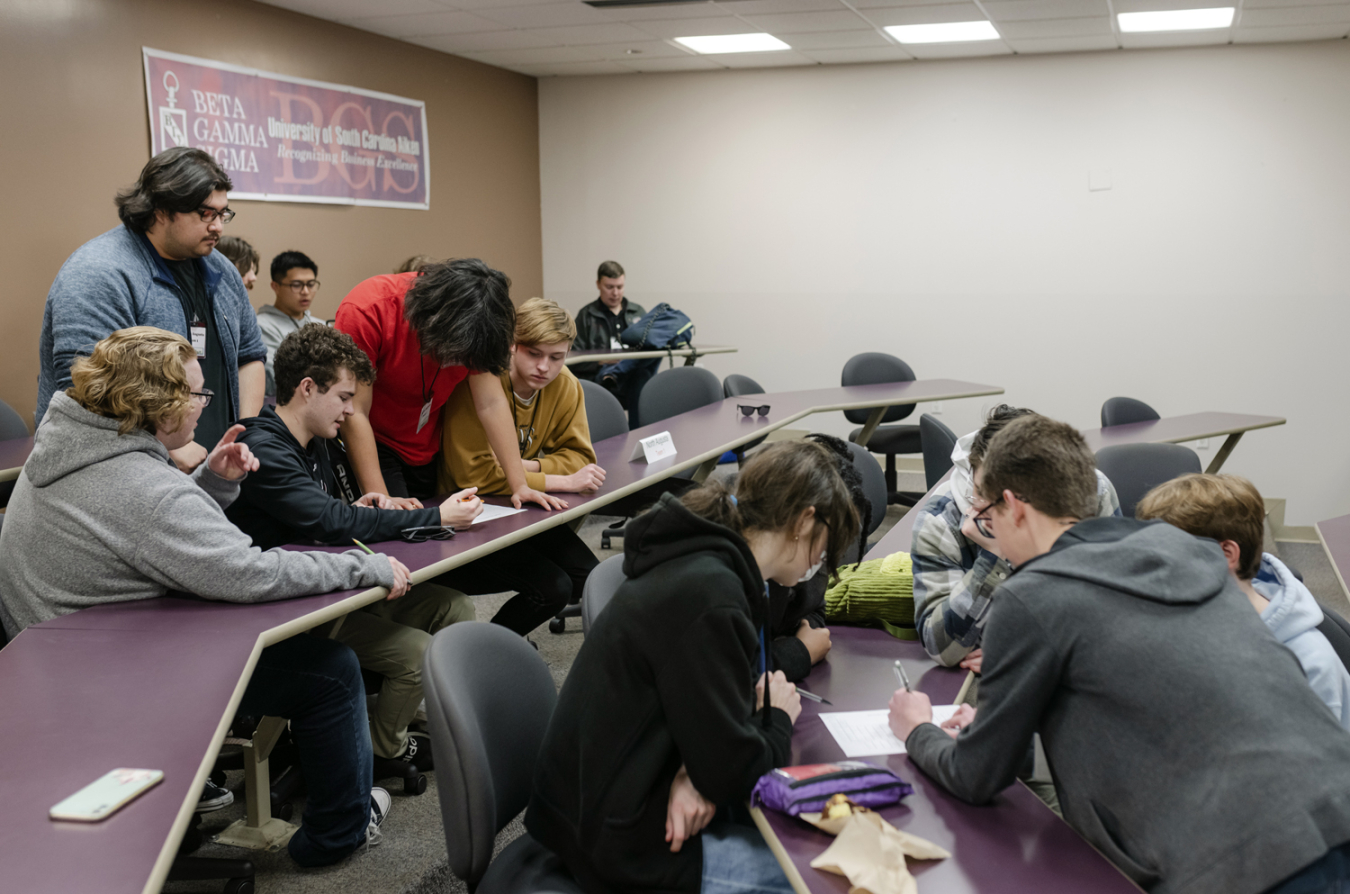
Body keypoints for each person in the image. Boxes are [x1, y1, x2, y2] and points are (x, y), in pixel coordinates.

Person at [887, 415, 1350, 894]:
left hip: (1246, 859)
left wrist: (916, 729)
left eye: (985, 516)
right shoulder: (1178, 549)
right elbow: (1143, 701)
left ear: (1013, 507)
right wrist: (998, 729)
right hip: (1335, 800)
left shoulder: (1031, 596)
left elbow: (975, 776)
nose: (986, 531)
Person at [0, 327, 409, 867]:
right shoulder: (141, 486)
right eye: (196, 394)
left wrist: (210, 486)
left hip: (55, 664)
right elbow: (247, 573)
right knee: (331, 671)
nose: (203, 406)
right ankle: (338, 836)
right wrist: (366, 565)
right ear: (159, 404)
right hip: (114, 679)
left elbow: (139, 535)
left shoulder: (70, 446)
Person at [527, 440, 861, 894]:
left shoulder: (711, 561)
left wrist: (697, 770)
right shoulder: (712, 595)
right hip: (622, 842)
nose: (820, 564)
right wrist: (777, 717)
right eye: (825, 549)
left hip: (606, 799)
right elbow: (736, 772)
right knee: (829, 876)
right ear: (804, 522)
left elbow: (707, 708)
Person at [226, 325, 480, 774]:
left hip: (328, 587)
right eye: (344, 397)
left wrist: (358, 505)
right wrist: (436, 517)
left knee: (454, 608)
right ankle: (383, 751)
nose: (351, 410)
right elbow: (330, 523)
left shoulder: (318, 439)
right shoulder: (263, 447)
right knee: (416, 654)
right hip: (288, 609)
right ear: (307, 388)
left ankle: (390, 721)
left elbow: (327, 515)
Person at [37, 147, 266, 473]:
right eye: (206, 214)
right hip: (121, 473)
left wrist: (244, 433)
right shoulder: (98, 273)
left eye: (223, 213)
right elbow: (85, 391)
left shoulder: (223, 270)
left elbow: (250, 355)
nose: (218, 227)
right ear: (161, 210)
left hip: (216, 469)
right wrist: (170, 448)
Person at [334, 259, 562, 513]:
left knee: (442, 533)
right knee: (399, 532)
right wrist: (381, 499)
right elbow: (355, 412)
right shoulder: (368, 310)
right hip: (375, 442)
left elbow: (491, 403)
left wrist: (519, 484)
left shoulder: (480, 319)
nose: (458, 364)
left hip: (428, 444)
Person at [911, 404, 1120, 673]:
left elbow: (1114, 606)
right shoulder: (941, 519)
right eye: (980, 492)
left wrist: (1029, 652)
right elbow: (940, 646)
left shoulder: (1091, 491)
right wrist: (992, 560)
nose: (985, 506)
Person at [437, 298, 601, 636]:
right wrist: (560, 481)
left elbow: (581, 458)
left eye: (557, 357)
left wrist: (522, 464)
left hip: (523, 509)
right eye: (534, 353)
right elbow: (475, 475)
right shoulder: (480, 380)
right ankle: (485, 655)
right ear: (512, 345)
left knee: (590, 576)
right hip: (472, 514)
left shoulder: (566, 384)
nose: (545, 367)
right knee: (552, 587)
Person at [1136, 473, 1350, 730]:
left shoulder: (1309, 663)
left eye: (1166, 552)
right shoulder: (1178, 619)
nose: (1149, 567)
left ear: (1226, 553)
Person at [765, 433, 874, 682]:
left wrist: (799, 636)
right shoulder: (736, 577)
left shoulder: (807, 555)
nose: (821, 562)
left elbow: (814, 608)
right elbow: (739, 675)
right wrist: (799, 651)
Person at [571, 260, 661, 428]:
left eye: (620, 287)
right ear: (598, 284)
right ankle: (630, 436)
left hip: (633, 375)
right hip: (601, 378)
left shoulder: (638, 312)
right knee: (635, 380)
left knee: (644, 379)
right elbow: (573, 357)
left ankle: (639, 436)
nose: (615, 293)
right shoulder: (586, 316)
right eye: (609, 287)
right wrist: (602, 360)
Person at [257, 250, 322, 396]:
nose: (305, 291)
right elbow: (278, 379)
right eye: (296, 285)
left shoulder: (323, 326)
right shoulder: (261, 326)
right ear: (276, 286)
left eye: (311, 284)